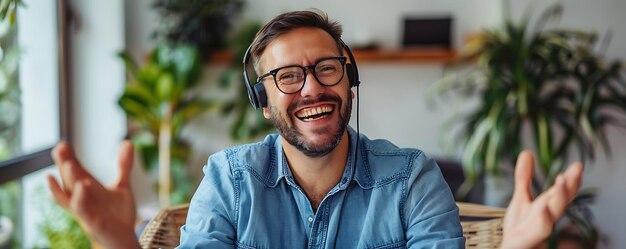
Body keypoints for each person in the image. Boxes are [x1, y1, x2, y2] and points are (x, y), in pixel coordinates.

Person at [47, 10, 583, 249]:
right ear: (262, 101)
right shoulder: (228, 181)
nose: (311, 88)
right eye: (287, 77)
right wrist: (118, 243)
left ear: (349, 79)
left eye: (327, 69)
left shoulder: (413, 179)